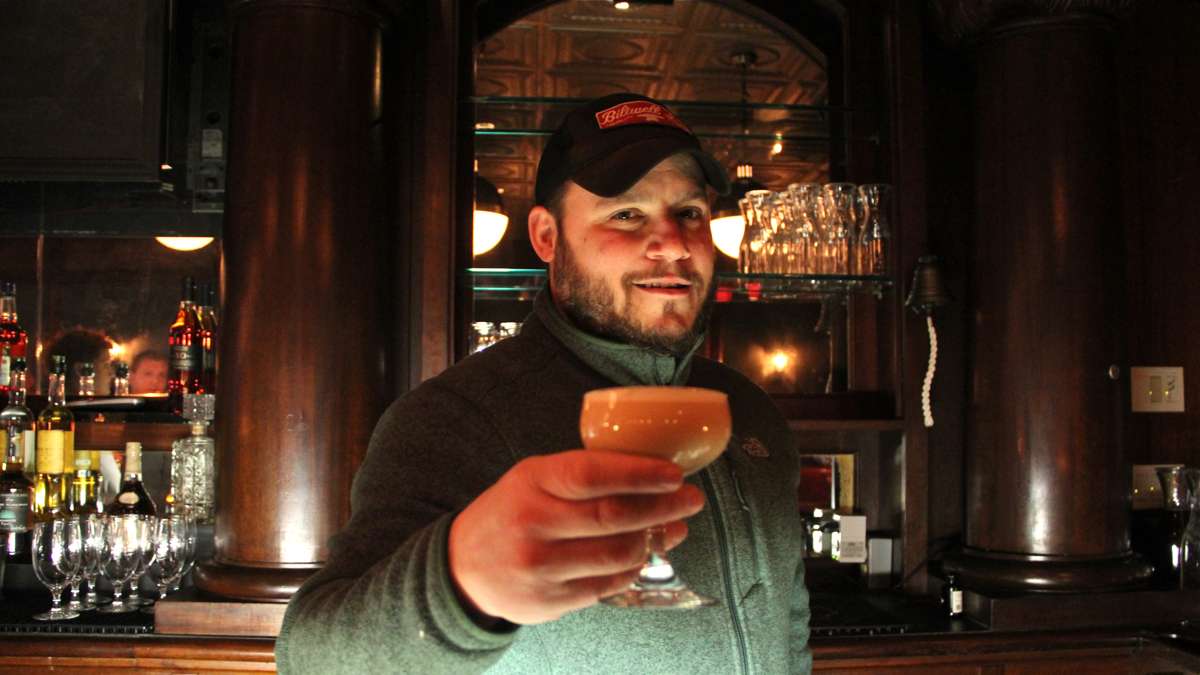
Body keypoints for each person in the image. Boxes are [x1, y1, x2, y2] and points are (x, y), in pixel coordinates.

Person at [275, 93, 811, 674]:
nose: (675, 244)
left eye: (690, 213)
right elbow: (311, 656)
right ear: (547, 237)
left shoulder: (749, 411)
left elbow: (788, 625)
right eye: (626, 214)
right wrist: (458, 587)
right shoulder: (455, 417)